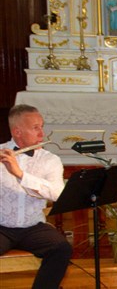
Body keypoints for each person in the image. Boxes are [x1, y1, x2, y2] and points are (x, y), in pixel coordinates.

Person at [0, 104, 72, 289]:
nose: (42, 133)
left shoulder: (50, 160)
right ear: (17, 132)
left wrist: (21, 175)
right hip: (1, 226)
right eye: (35, 128)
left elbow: (58, 194)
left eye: (41, 126)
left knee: (61, 248)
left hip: (33, 227)